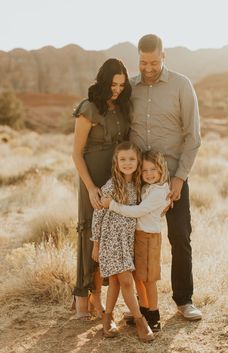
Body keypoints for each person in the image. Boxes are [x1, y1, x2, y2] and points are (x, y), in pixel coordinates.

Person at [129, 34, 202, 320]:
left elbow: (192, 136)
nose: (148, 67)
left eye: (154, 61)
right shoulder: (130, 87)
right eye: (143, 62)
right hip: (136, 179)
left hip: (172, 177)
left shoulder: (181, 85)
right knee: (137, 240)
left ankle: (184, 300)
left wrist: (180, 178)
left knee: (180, 236)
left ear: (164, 56)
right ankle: (143, 305)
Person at [72, 58, 131, 319]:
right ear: (103, 81)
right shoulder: (88, 108)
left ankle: (101, 301)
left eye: (121, 84)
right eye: (113, 84)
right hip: (92, 180)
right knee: (89, 235)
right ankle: (84, 301)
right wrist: (91, 187)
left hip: (114, 180)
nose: (117, 89)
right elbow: (76, 154)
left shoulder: (121, 107)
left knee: (108, 236)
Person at [91, 142, 154, 342]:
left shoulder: (139, 185)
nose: (127, 163)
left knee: (117, 282)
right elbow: (98, 214)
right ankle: (139, 320)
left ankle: (107, 318)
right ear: (116, 162)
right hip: (110, 239)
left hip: (127, 240)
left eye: (131, 159)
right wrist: (96, 243)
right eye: (123, 159)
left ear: (138, 162)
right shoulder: (111, 185)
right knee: (125, 279)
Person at [102, 151, 170, 332]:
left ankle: (154, 315)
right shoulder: (146, 187)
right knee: (138, 277)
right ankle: (144, 309)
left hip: (149, 238)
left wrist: (113, 205)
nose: (149, 173)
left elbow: (138, 211)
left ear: (161, 169)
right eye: (145, 170)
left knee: (149, 280)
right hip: (137, 236)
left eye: (153, 169)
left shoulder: (158, 191)